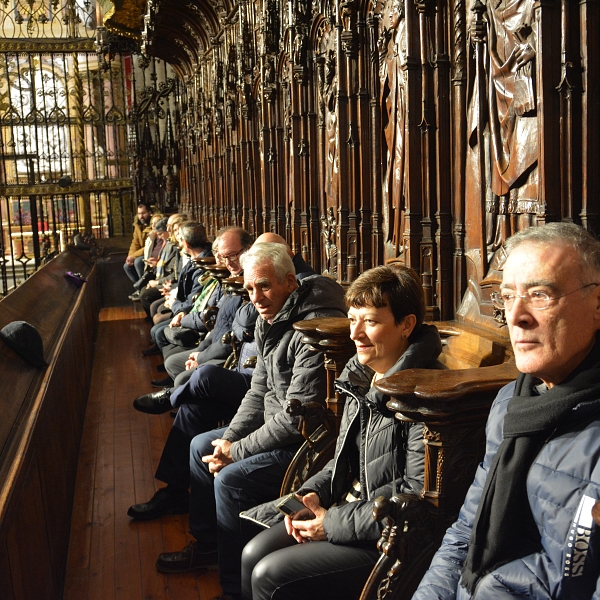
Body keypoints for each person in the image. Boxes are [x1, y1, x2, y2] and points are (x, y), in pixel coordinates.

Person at [413, 222, 600, 599]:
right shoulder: (509, 404)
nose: (516, 317)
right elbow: (466, 531)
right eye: (508, 296)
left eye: (540, 295)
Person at [153, 243, 347, 600]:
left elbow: (295, 420)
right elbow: (258, 392)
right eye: (250, 289)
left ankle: (233, 590)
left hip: (304, 443)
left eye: (264, 286)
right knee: (202, 446)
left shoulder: (311, 329)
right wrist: (230, 438)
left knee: (229, 480)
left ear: (290, 282)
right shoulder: (269, 318)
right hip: (273, 427)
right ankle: (209, 545)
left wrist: (236, 450)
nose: (256, 297)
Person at [240, 264, 443, 600]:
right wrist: (312, 495)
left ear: (406, 325)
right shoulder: (362, 376)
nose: (355, 334)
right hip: (343, 509)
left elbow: (415, 498)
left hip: (384, 535)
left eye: (371, 322)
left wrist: (329, 523)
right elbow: (343, 460)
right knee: (251, 553)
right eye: (352, 319)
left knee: (269, 575)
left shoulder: (424, 396)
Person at [123, 202, 152, 284]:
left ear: (150, 213)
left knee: (138, 261)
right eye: (139, 213)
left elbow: (149, 245)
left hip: (151, 252)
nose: (141, 216)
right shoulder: (138, 226)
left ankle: (144, 287)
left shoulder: (153, 224)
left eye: (143, 213)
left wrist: (134, 256)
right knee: (127, 266)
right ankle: (139, 288)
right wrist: (130, 256)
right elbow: (135, 243)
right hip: (141, 252)